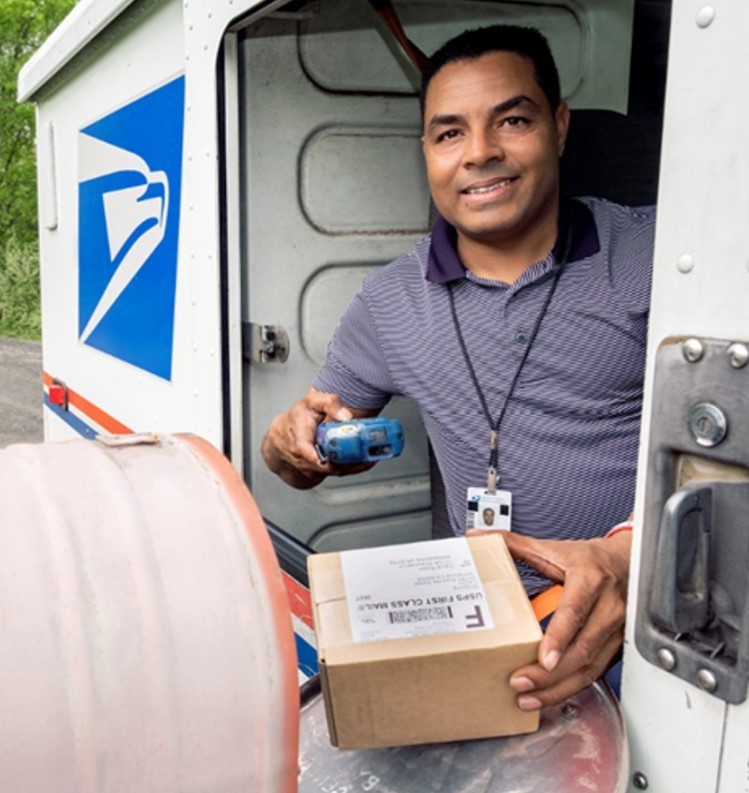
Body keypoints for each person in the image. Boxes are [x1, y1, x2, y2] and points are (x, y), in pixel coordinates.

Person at [263, 24, 655, 709]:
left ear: (559, 126)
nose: (480, 153)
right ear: (426, 151)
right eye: (449, 133)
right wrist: (288, 444)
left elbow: (748, 456)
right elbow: (311, 438)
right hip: (475, 626)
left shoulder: (659, 253)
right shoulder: (390, 301)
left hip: (638, 622)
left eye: (512, 119)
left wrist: (629, 555)